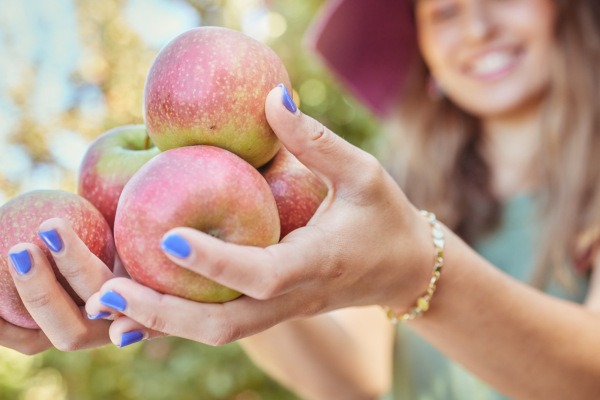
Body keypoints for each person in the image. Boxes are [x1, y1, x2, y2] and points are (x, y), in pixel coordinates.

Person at [4, 0, 600, 398]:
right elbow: (355, 383)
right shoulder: (401, 197)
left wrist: (421, 272)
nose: (476, 28)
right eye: (443, 11)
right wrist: (217, 270)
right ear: (425, 48)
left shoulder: (403, 228)